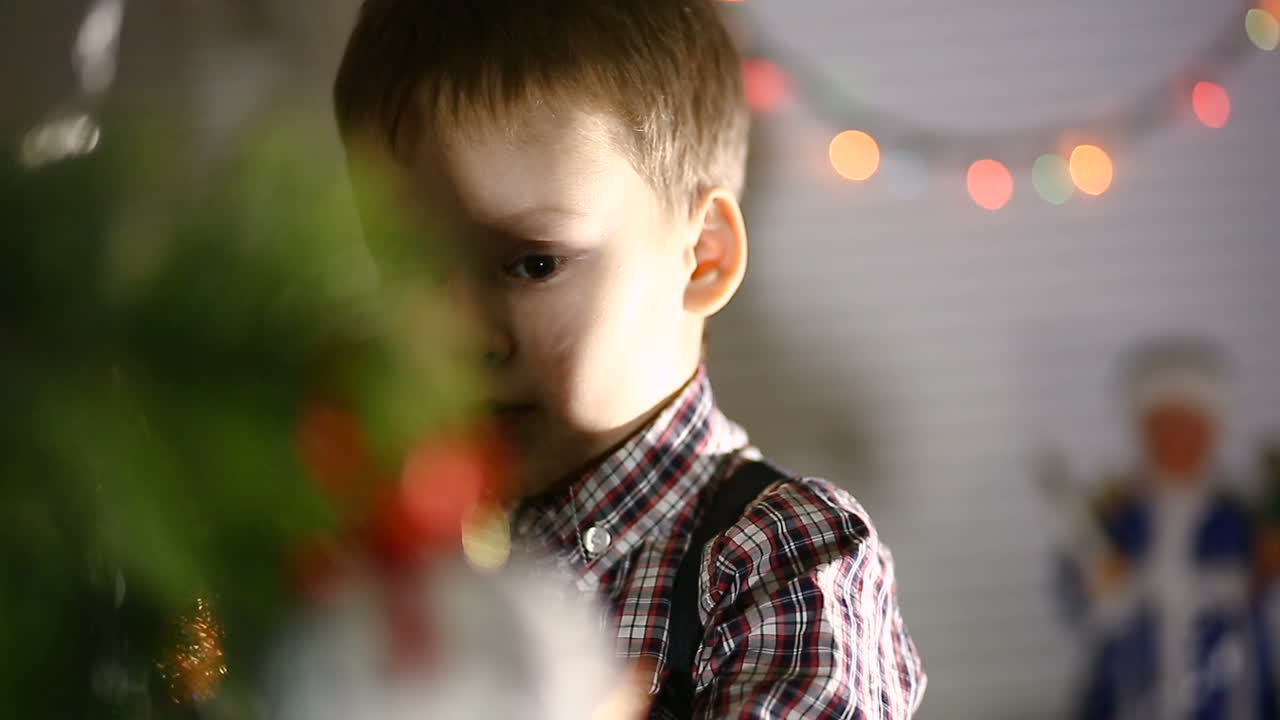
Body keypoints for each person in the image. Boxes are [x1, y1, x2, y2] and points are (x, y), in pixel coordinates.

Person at [331, 1, 926, 717]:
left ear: (703, 255)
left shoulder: (779, 556)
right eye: (409, 268)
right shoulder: (392, 556)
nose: (455, 333)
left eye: (533, 262)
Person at [1055, 339, 1275, 720]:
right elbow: (1080, 599)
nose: (1176, 443)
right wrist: (1096, 585)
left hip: (1225, 687)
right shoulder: (1119, 519)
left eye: (1189, 429)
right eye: (1163, 429)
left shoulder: (1238, 520)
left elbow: (1257, 588)